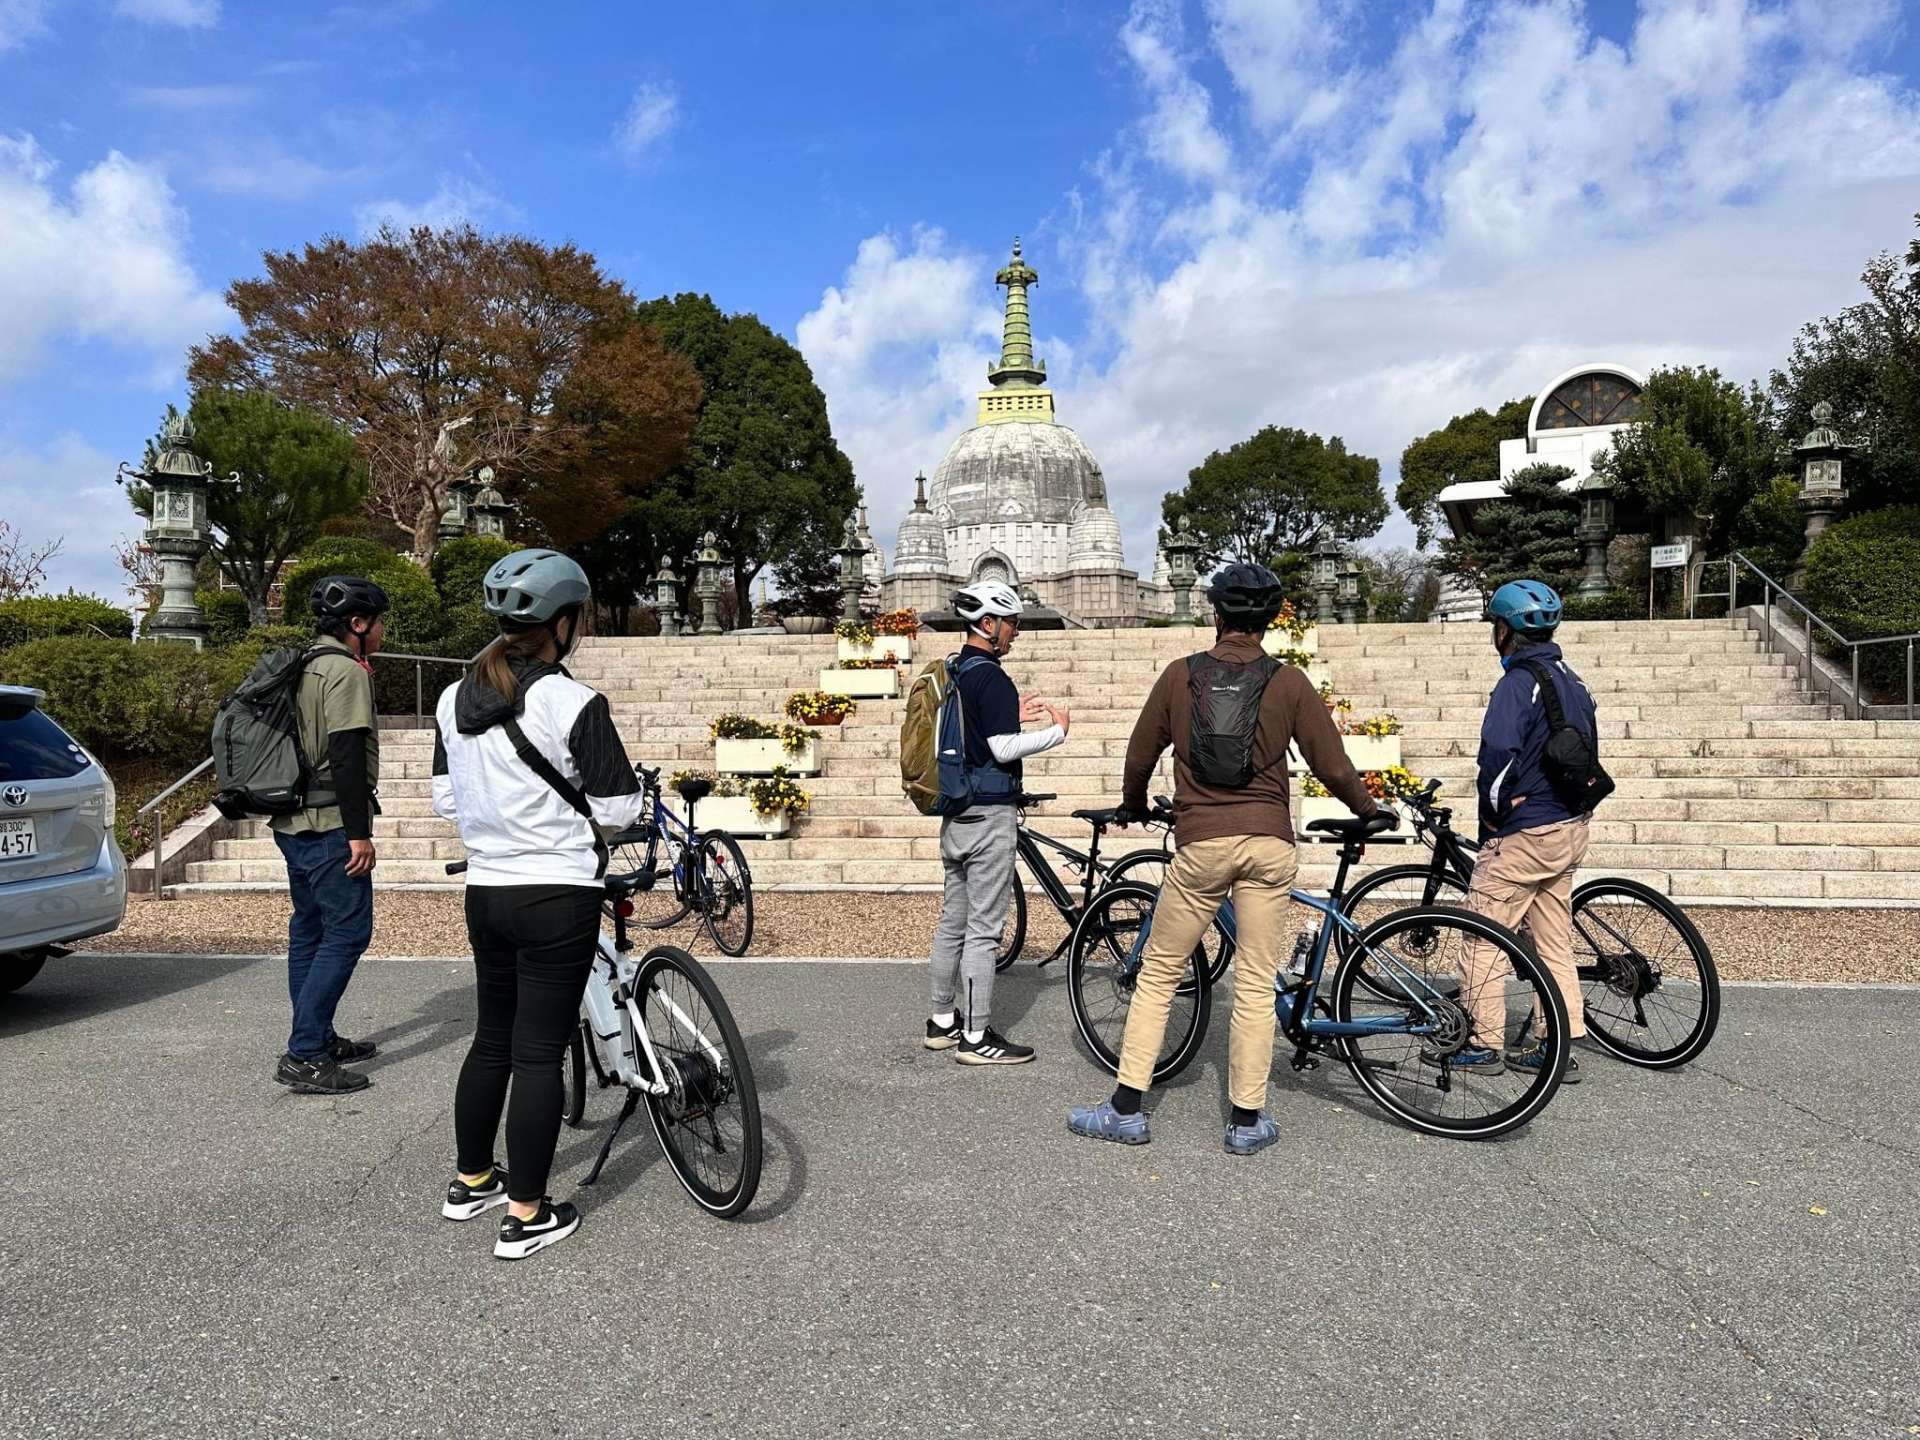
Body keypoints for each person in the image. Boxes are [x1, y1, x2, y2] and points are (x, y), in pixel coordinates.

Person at [1067, 563, 1382, 1156]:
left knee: (1160, 972)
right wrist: (1366, 808)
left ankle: (1126, 1111)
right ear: (1268, 622)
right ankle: (1245, 1122)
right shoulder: (1288, 682)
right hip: (1268, 842)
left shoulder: (1178, 677)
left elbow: (1139, 755)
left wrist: (1134, 804)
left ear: (1216, 615)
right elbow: (1332, 765)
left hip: (1202, 842)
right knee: (1258, 983)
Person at [432, 548, 645, 1261]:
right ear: (564, 622)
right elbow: (616, 806)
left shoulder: (453, 699)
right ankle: (526, 1213)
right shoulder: (571, 701)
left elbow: (443, 799)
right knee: (538, 1052)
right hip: (556, 892)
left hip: (485, 891)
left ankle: (472, 1180)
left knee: (492, 1037)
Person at [1445, 579, 1598, 1083]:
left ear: (1505, 630)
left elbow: (1496, 755)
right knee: (1552, 938)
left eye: (1496, 625)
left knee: (1482, 935)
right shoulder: (1571, 680)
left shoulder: (1518, 682)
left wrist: (1492, 818)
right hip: (1570, 824)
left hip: (1525, 830)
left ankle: (1482, 1042)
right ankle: (1559, 1044)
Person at [921, 580, 1068, 1065]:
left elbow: (979, 731)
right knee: (984, 931)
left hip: (955, 811)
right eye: (1012, 623)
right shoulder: (994, 677)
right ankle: (976, 1037)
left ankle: (942, 1023)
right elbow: (1003, 747)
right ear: (989, 624)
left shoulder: (953, 669)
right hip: (989, 814)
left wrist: (1013, 717)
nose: (1016, 633)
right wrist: (1056, 733)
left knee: (952, 924)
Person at [271, 576, 387, 1096]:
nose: (383, 631)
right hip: (329, 825)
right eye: (379, 621)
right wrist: (359, 834)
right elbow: (344, 755)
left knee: (310, 930)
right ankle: (305, 1054)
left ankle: (316, 1036)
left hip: (293, 822)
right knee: (347, 933)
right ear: (357, 625)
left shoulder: (303, 664)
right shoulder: (345, 672)